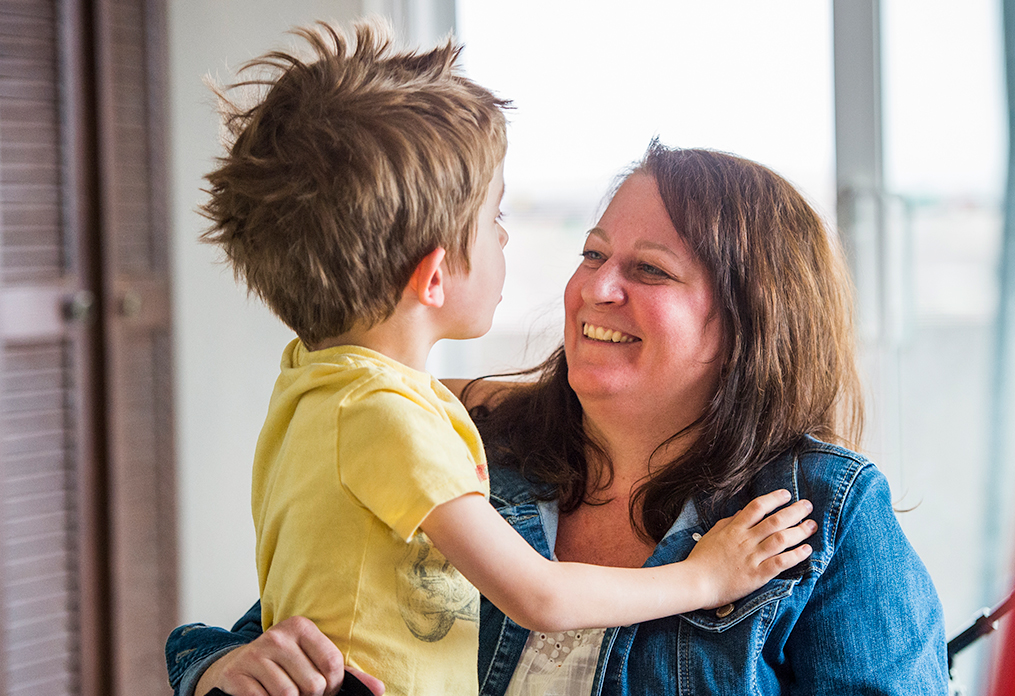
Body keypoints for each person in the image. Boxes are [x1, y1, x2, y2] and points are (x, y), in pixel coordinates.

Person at [168, 141, 950, 696]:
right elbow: (261, 632)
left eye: (648, 270)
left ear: (749, 326)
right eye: (591, 254)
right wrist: (217, 673)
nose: (595, 289)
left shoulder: (826, 512)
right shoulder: (474, 448)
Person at [191, 20, 821, 696]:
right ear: (433, 278)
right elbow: (541, 600)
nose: (505, 238)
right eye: (494, 218)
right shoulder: (387, 423)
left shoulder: (320, 387)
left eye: (650, 270)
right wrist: (708, 577)